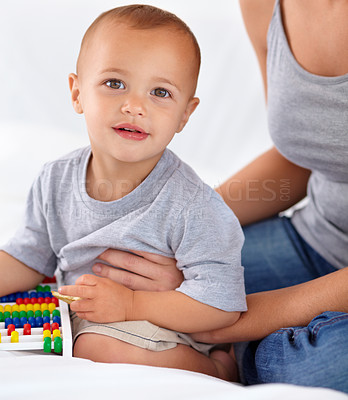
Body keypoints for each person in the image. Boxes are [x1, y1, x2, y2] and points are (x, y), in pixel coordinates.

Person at [88, 0, 348, 393]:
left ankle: (235, 355)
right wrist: (182, 229)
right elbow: (308, 151)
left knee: (320, 367)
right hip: (319, 240)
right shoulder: (266, 6)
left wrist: (221, 319)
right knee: (128, 270)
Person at [0, 5, 247, 381]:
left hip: (159, 321)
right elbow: (29, 257)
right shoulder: (55, 178)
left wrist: (132, 304)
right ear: (77, 92)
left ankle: (216, 368)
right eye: (115, 83)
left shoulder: (193, 205)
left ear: (185, 114)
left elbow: (222, 306)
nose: (134, 106)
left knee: (96, 348)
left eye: (160, 92)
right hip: (83, 313)